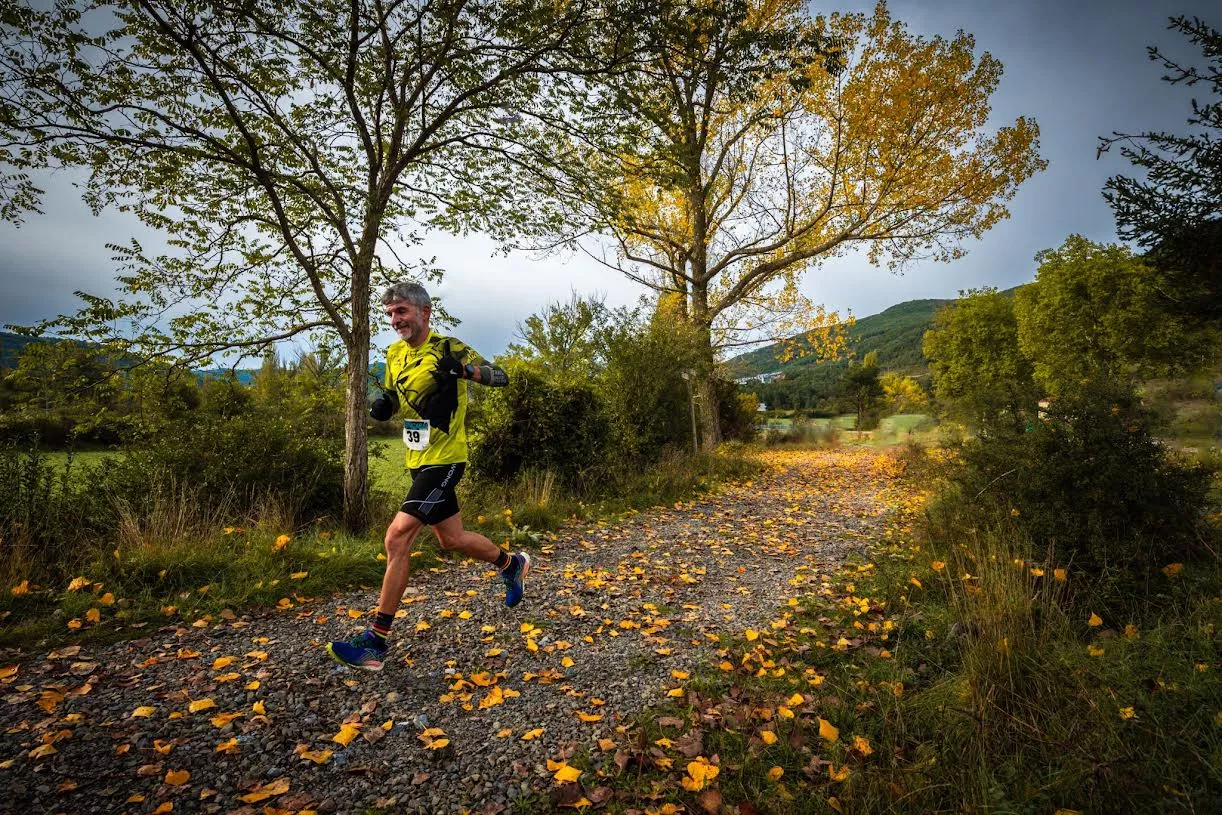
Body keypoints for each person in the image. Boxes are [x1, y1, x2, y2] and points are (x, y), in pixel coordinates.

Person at [327, 281, 529, 672]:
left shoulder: (448, 347)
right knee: (451, 539)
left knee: (397, 536)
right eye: (389, 314)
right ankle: (511, 564)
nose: (395, 320)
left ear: (424, 312)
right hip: (417, 459)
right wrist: (383, 404)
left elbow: (501, 376)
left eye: (401, 311)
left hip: (447, 459)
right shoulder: (394, 353)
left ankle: (375, 642)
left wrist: (465, 371)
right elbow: (391, 395)